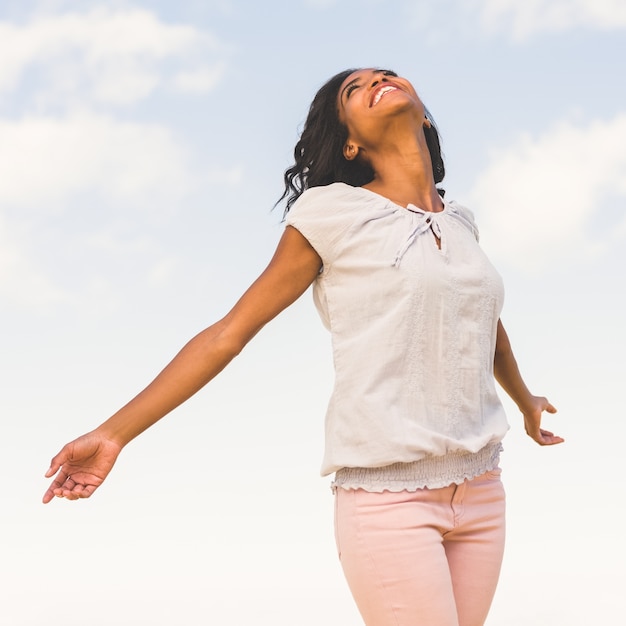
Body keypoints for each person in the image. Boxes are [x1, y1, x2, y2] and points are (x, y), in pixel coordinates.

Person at [43, 68, 564, 626]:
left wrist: (525, 399)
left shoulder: (461, 222)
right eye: (354, 88)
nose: (377, 79)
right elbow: (228, 334)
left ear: (425, 115)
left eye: (384, 73)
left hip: (483, 490)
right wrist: (113, 434)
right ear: (349, 142)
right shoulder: (330, 212)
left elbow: (484, 323)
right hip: (391, 500)